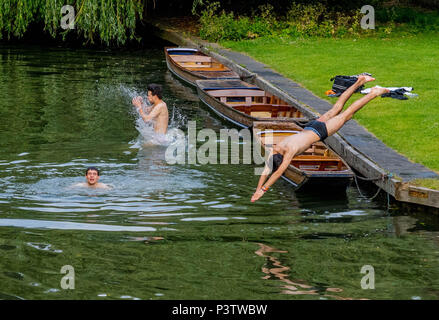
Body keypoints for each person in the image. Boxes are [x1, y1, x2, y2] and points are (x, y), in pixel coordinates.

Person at [251, 75, 390, 202]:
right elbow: (266, 172)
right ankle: (360, 81)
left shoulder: (290, 151)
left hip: (319, 131)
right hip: (311, 126)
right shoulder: (275, 150)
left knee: (347, 114)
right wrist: (259, 189)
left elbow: (278, 172)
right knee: (337, 108)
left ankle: (374, 93)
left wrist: (264, 190)